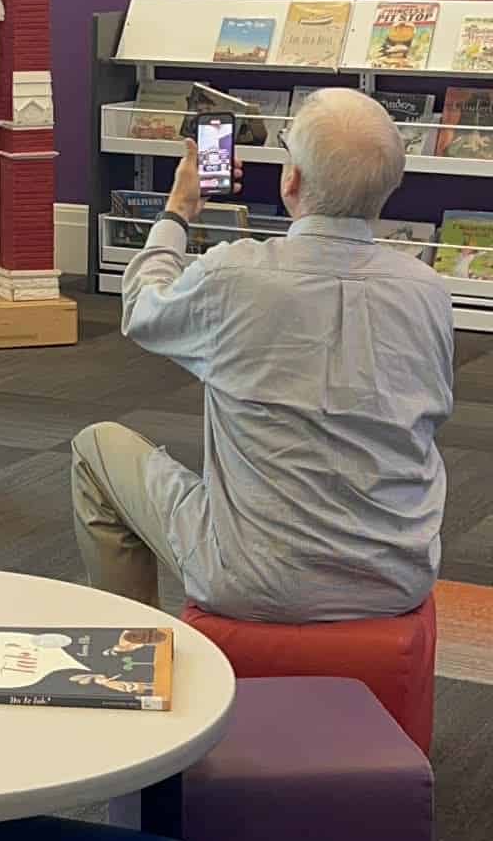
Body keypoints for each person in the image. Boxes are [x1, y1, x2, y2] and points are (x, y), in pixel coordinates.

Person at [72, 88, 454, 621]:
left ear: (290, 179)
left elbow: (140, 308)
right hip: (397, 576)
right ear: (391, 186)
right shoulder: (429, 290)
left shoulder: (235, 273)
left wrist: (177, 212)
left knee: (95, 449)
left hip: (251, 577)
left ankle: (133, 652)